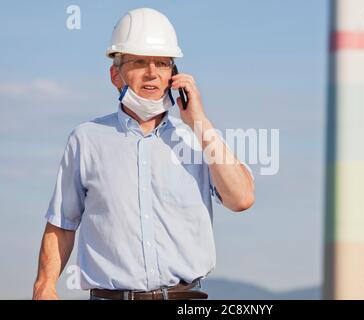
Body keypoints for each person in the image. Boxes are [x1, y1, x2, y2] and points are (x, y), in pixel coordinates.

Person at [32, 7, 254, 300]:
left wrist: (200, 122)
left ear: (174, 76)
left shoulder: (197, 138)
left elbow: (241, 199)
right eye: (139, 62)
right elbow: (62, 222)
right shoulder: (86, 139)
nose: (151, 73)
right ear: (116, 75)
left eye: (162, 63)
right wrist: (45, 286)